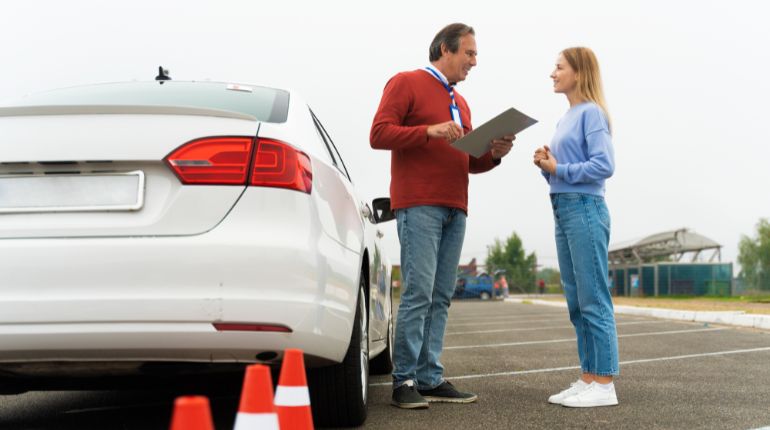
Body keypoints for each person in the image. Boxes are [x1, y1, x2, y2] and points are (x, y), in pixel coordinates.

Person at [370, 23, 514, 409]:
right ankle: (404, 381)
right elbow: (379, 133)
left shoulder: (461, 103)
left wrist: (495, 152)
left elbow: (469, 160)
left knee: (440, 296)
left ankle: (430, 376)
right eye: (469, 53)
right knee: (418, 293)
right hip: (418, 204)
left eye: (476, 55)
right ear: (444, 50)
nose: (474, 62)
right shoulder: (406, 82)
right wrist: (429, 130)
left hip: (456, 206)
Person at [533, 47, 619, 408]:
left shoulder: (592, 114)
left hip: (585, 209)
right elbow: (564, 168)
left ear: (578, 73)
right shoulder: (567, 116)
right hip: (564, 208)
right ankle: (588, 376)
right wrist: (545, 164)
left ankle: (604, 384)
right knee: (576, 302)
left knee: (593, 298)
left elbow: (604, 165)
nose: (552, 73)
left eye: (559, 67)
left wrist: (559, 170)